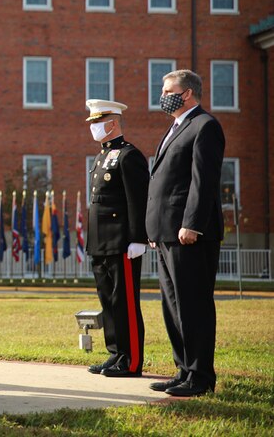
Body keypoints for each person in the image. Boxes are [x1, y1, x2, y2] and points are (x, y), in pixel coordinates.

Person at [146, 69, 225, 397]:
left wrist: (191, 223)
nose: (162, 95)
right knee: (173, 304)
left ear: (188, 93)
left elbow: (202, 180)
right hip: (166, 233)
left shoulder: (205, 126)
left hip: (188, 234)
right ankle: (184, 370)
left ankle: (200, 377)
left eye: (168, 90)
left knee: (193, 304)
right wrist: (154, 228)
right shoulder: (176, 127)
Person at [84, 99, 149, 378]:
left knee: (124, 301)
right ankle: (116, 353)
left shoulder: (128, 155)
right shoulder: (101, 157)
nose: (94, 128)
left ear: (112, 123)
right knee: (108, 301)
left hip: (122, 242)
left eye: (98, 122)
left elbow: (138, 200)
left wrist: (139, 238)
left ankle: (131, 360)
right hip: (100, 241)